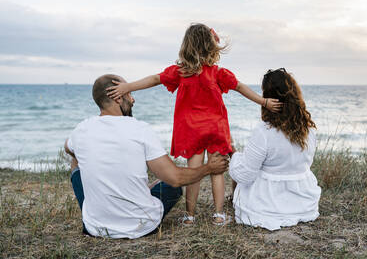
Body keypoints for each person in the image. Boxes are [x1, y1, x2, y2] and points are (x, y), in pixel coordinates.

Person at [106, 23, 282, 225]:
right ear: (210, 46)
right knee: (216, 171)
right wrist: (263, 101)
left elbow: (155, 79)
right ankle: (218, 214)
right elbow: (240, 87)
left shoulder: (181, 72)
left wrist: (129, 86)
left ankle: (190, 216)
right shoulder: (216, 72)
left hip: (192, 129)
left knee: (195, 172)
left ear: (187, 46)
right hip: (214, 127)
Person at [64, 74, 229, 239]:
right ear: (118, 98)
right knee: (172, 187)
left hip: (95, 228)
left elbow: (68, 148)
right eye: (129, 93)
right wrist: (209, 168)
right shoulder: (140, 129)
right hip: (142, 225)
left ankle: (102, 210)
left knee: (76, 162)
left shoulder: (81, 129)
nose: (133, 99)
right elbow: (176, 178)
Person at [228, 68, 321, 231]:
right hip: (304, 204)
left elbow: (244, 175)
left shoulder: (264, 132)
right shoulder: (309, 130)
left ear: (268, 98)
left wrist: (232, 153)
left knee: (241, 162)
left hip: (267, 206)